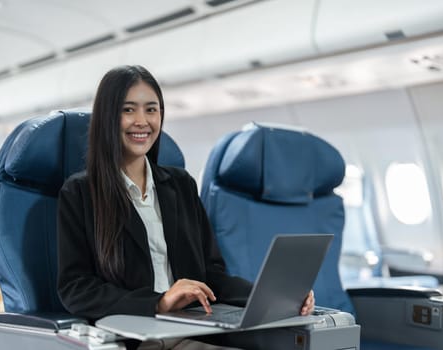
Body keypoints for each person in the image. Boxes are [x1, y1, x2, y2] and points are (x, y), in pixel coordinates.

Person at [56, 65, 315, 349]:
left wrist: (274, 297)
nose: (142, 121)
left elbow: (211, 274)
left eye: (151, 110)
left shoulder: (180, 185)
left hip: (192, 328)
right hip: (132, 337)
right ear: (108, 117)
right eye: (128, 110)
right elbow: (76, 288)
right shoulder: (80, 192)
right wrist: (159, 302)